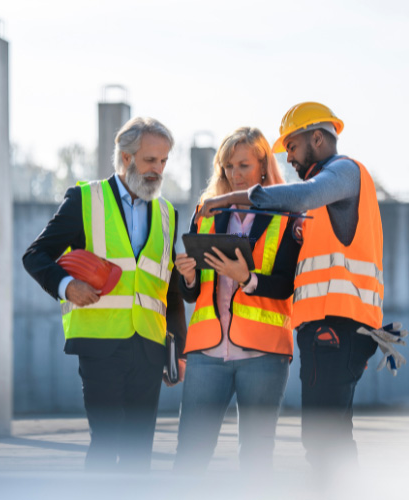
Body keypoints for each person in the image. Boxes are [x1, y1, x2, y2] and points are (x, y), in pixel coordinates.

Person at [196, 102, 385, 473]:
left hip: (339, 326)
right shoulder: (323, 197)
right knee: (328, 436)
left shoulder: (344, 171)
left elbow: (299, 196)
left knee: (323, 438)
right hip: (324, 328)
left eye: (293, 148)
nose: (291, 160)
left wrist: (225, 199)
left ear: (317, 137)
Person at [22, 117, 187, 472]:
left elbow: (168, 289)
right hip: (100, 344)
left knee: (139, 451)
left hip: (149, 346)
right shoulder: (85, 199)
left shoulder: (167, 214)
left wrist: (179, 351)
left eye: (163, 161)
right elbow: (34, 255)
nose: (158, 170)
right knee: (107, 441)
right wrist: (67, 286)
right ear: (126, 158)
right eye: (149, 160)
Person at [173, 127, 299, 473]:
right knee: (189, 456)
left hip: (264, 355)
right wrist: (187, 275)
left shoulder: (287, 214)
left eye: (243, 165)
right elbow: (191, 293)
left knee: (256, 459)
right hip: (207, 354)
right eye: (228, 166)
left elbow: (287, 284)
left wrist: (247, 278)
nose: (234, 174)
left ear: (263, 166)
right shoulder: (207, 212)